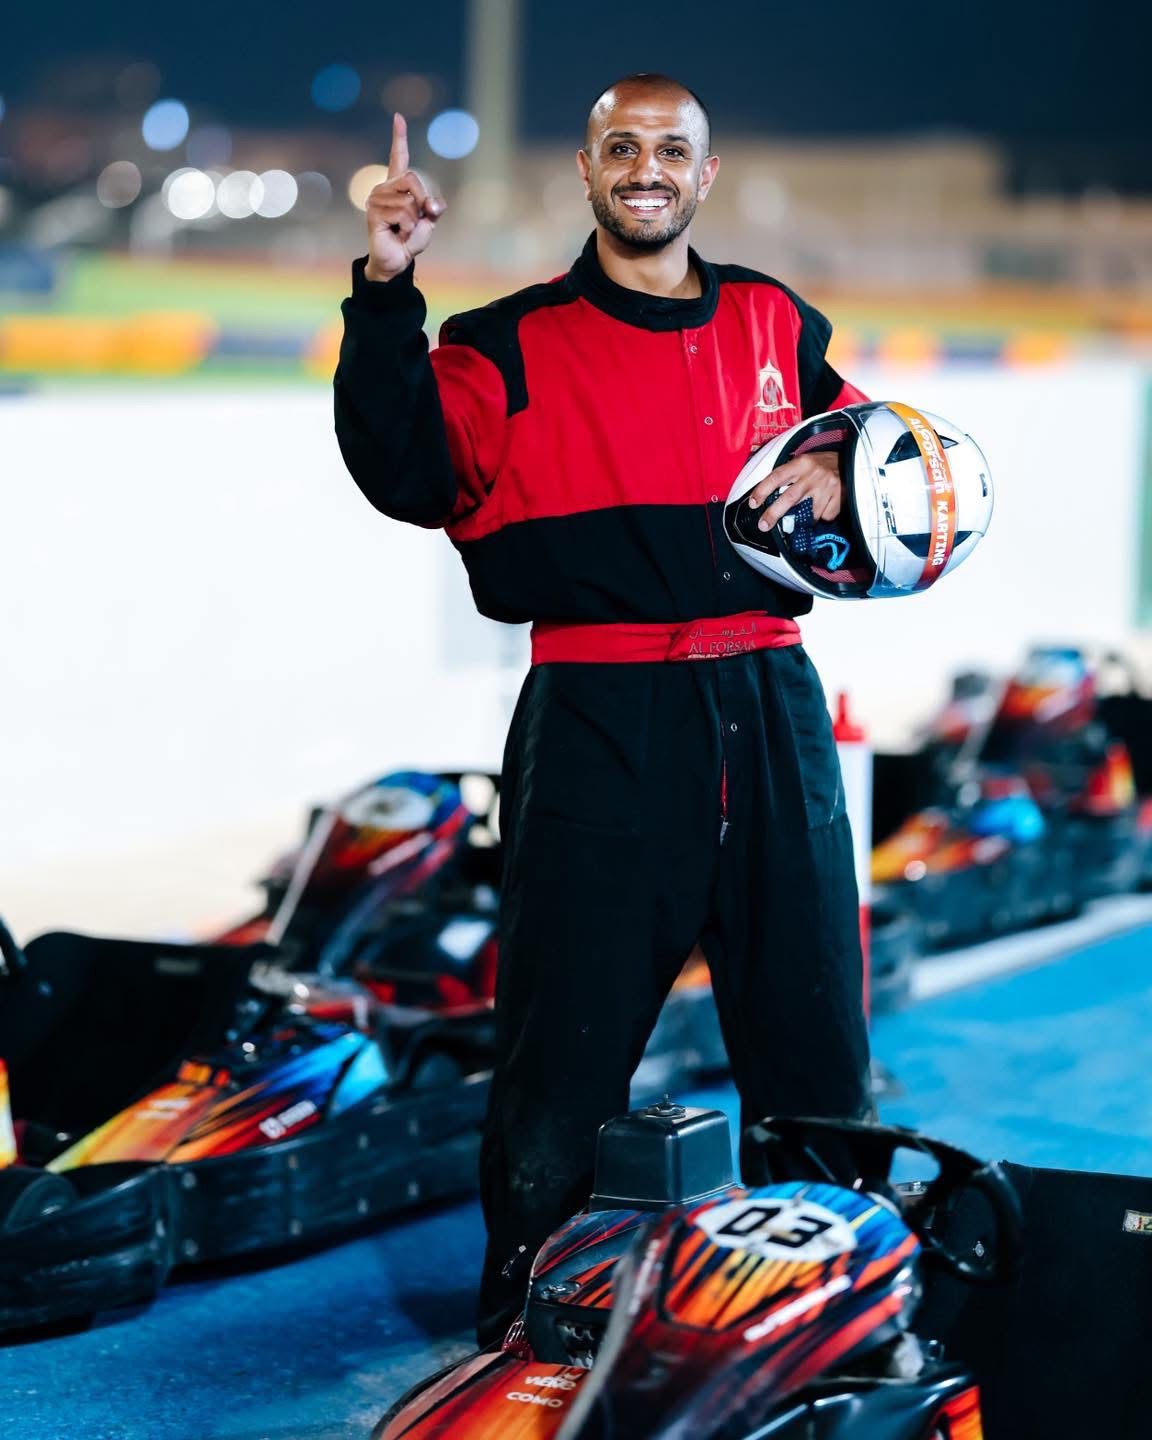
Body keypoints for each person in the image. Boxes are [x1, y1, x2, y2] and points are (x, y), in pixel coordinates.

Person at [333, 73, 873, 1346]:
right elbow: (402, 468)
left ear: (705, 172)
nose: (646, 169)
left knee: (815, 1044)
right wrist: (387, 287)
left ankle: (827, 1309)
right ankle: (533, 1325)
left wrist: (840, 458)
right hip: (598, 715)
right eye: (621, 148)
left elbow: (868, 463)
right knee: (563, 1056)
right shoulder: (502, 341)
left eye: (670, 150)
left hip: (772, 706)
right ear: (585, 171)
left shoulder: (776, 320)